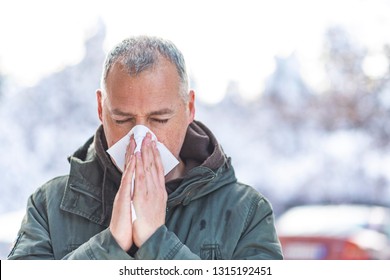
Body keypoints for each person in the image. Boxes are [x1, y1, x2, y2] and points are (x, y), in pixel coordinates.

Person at [8, 36, 283, 260]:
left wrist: (157, 242)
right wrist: (108, 246)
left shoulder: (247, 213)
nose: (140, 137)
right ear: (100, 108)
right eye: (122, 119)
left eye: (159, 119)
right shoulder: (48, 205)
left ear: (189, 108)